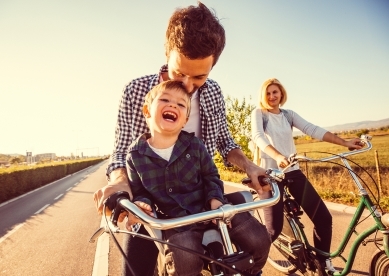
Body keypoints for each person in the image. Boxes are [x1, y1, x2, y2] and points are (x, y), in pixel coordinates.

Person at [93, 2, 270, 275]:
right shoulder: (136, 90)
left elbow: (225, 142)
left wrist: (250, 167)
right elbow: (120, 151)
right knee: (135, 270)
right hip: (153, 208)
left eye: (199, 76)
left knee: (245, 256)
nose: (188, 86)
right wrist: (120, 185)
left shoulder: (212, 93)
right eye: (179, 73)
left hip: (204, 202)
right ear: (167, 54)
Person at [127, 80, 269, 276]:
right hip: (177, 222)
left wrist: (215, 199)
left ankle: (251, 271)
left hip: (213, 210)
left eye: (181, 104)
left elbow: (211, 175)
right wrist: (142, 204)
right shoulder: (135, 155)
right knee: (184, 261)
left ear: (185, 119)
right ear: (147, 111)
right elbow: (141, 192)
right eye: (165, 99)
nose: (173, 105)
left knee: (258, 239)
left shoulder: (195, 145)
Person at [250, 78, 363, 271]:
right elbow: (258, 137)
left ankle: (322, 262)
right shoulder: (259, 114)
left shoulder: (288, 115)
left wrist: (344, 142)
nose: (271, 96)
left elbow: (313, 129)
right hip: (270, 176)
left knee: (323, 218)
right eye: (267, 93)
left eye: (275, 92)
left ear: (281, 94)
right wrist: (278, 156)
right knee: (273, 230)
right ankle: (250, 265)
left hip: (292, 171)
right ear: (263, 96)